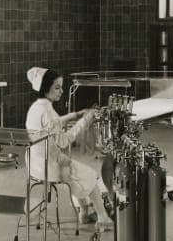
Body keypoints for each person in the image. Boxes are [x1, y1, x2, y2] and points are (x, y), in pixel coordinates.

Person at [25, 67, 112, 230]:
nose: (61, 91)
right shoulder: (47, 111)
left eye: (61, 87)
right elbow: (64, 141)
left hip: (35, 161)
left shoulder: (37, 107)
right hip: (50, 165)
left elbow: (54, 124)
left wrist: (76, 114)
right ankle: (103, 218)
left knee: (75, 174)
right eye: (57, 88)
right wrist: (85, 121)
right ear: (45, 89)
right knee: (90, 175)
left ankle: (85, 211)